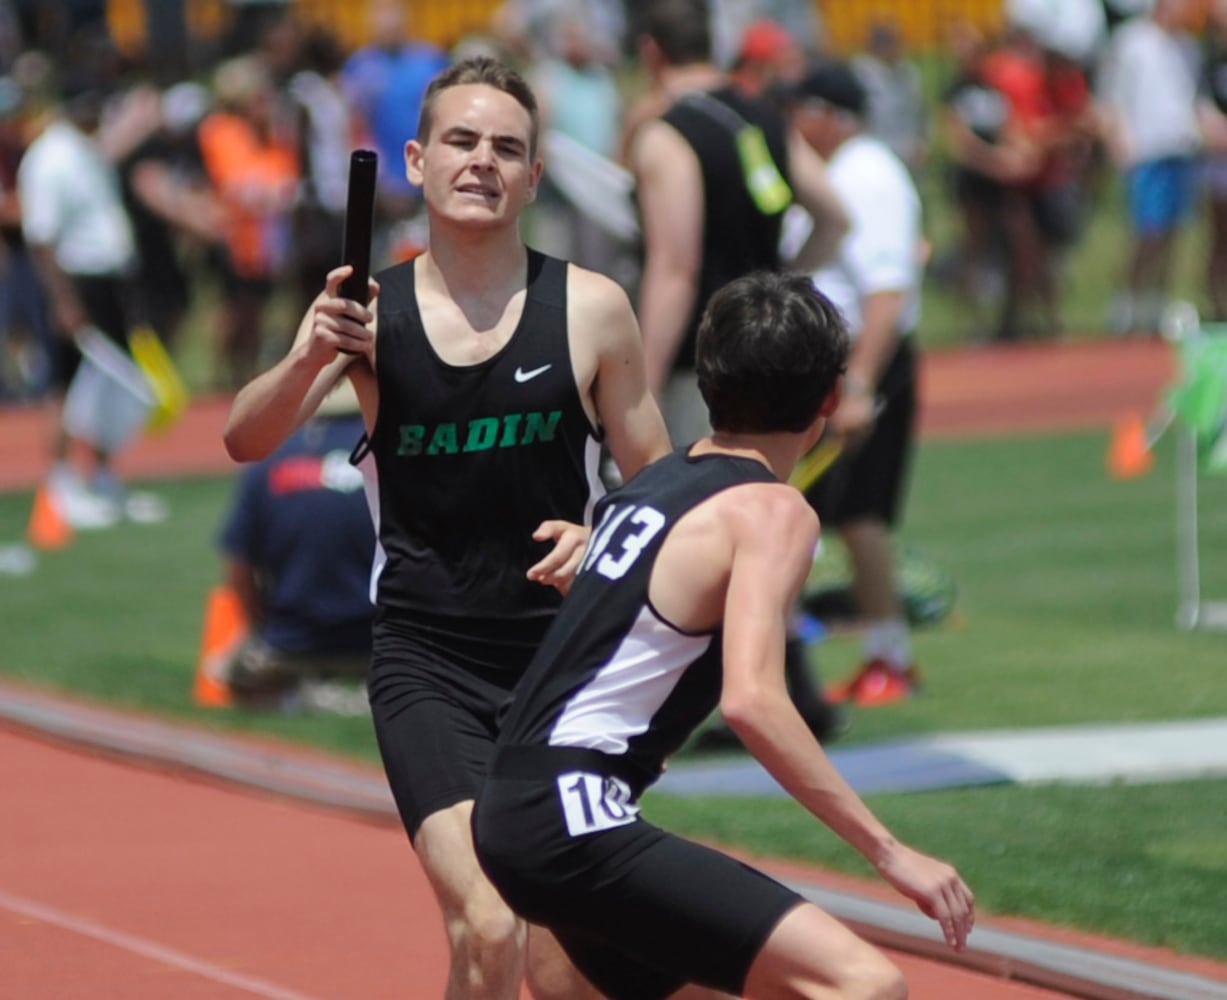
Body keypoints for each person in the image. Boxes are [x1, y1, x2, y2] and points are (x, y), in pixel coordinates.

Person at [223, 55, 671, 1000]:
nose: (483, 162)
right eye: (462, 142)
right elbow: (244, 437)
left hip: (565, 666)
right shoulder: (367, 315)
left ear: (534, 177)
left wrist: (604, 541)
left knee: (563, 959)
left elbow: (662, 492)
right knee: (489, 918)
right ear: (417, 162)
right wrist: (309, 354)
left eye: (507, 147)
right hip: (429, 661)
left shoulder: (592, 310)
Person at [472, 269, 976, 1000]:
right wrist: (891, 853)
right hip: (574, 814)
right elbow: (752, 701)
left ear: (707, 382)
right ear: (830, 399)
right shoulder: (772, 512)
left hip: (515, 805)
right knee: (863, 986)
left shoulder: (649, 486)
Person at [625, 0, 849, 746]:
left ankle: (723, 700)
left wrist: (640, 379)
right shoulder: (764, 115)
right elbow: (833, 214)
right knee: (770, 520)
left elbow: (675, 265)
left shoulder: (667, 135)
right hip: (776, 353)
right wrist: (782, 289)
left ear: (653, 52)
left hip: (709, 364)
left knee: (701, 532)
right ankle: (797, 690)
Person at [788, 59, 925, 707]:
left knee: (841, 513)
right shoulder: (846, 171)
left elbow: (886, 288)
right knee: (844, 514)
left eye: (802, 109)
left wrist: (862, 382)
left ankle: (884, 656)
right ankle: (882, 654)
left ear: (828, 115)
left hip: (858, 363)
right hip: (842, 363)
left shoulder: (866, 176)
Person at [215, 380, 374, 712]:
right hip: (381, 642)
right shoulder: (396, 452)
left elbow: (238, 568)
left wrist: (261, 628)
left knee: (222, 667)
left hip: (295, 641)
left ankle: (299, 696)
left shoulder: (271, 459)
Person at [1095, 0, 1201, 336]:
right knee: (1147, 232)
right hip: (1146, 150)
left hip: (1181, 147)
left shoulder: (1188, 47)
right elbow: (1111, 95)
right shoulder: (1131, 41)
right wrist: (1117, 137)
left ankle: (1157, 303)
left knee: (1173, 233)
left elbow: (1192, 97)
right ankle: (1128, 302)